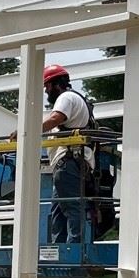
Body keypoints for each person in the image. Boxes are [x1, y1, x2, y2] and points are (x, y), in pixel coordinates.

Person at [40, 63, 92, 244]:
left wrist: (27, 130)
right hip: (70, 162)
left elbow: (56, 118)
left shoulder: (66, 97)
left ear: (56, 84)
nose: (46, 91)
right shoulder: (76, 99)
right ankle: (58, 250)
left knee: (71, 206)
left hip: (68, 162)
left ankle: (73, 250)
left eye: (47, 86)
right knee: (58, 209)